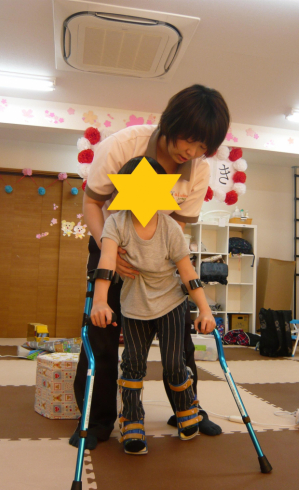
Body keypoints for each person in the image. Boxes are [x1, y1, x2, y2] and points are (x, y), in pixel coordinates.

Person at [70, 84, 230, 450]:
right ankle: (96, 420)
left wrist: (163, 259)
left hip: (161, 252)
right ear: (172, 122)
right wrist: (109, 250)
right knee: (103, 331)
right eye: (189, 140)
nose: (192, 152)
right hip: (110, 241)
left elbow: (179, 225)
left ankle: (187, 409)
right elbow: (92, 202)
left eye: (202, 147)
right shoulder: (124, 145)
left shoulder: (198, 170)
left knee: (179, 333)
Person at [91, 157, 216, 454]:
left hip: (171, 303)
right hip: (134, 305)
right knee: (133, 364)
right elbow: (107, 261)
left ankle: (187, 408)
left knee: (174, 363)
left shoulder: (170, 227)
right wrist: (99, 301)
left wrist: (205, 309)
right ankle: (132, 418)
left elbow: (187, 273)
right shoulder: (116, 222)